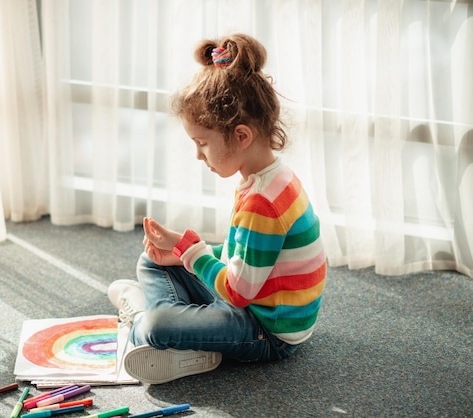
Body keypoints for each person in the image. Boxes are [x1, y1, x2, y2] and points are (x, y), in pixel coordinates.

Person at [108, 33, 327, 384]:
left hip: (267, 331)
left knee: (155, 325)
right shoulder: (269, 177)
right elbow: (246, 259)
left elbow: (239, 290)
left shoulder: (263, 203)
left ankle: (143, 317)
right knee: (153, 259)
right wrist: (182, 250)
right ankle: (183, 331)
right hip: (253, 301)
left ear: (242, 136)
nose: (198, 155)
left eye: (202, 143)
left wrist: (192, 253)